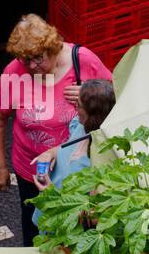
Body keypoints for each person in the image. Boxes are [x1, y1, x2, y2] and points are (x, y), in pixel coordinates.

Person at [0, 15, 111, 247]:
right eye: (26, 60)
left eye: (38, 59)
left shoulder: (82, 60)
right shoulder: (15, 71)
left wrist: (88, 92)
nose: (32, 67)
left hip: (79, 172)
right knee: (36, 230)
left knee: (75, 233)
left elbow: (114, 95)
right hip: (33, 170)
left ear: (53, 48)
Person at [30, 79, 116, 229]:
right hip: (47, 215)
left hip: (65, 228)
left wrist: (53, 194)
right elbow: (68, 146)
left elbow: (95, 217)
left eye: (79, 105)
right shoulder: (81, 126)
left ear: (93, 113)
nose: (75, 108)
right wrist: (51, 153)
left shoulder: (102, 157)